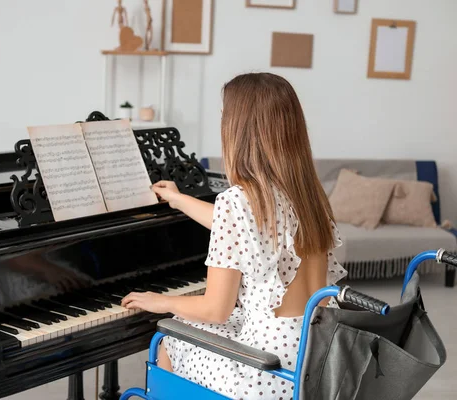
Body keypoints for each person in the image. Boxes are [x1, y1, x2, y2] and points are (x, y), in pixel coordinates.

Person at [121, 72, 347, 399]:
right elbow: (242, 227)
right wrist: (179, 198)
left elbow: (217, 310)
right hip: (316, 363)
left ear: (238, 129)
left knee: (170, 337)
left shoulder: (237, 200)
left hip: (264, 372)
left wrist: (162, 301)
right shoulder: (308, 195)